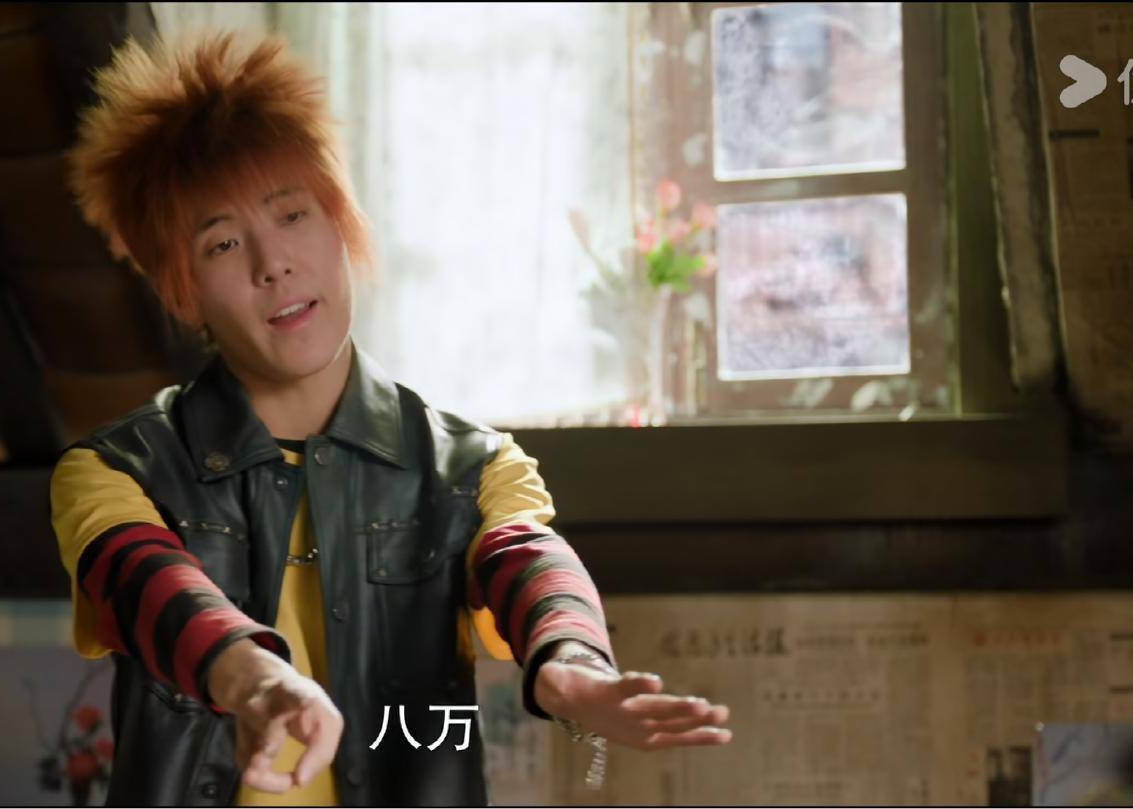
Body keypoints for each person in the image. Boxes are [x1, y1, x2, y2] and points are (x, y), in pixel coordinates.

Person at [52, 30, 732, 806]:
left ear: (341, 221)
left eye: (293, 214)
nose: (274, 263)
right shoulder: (115, 470)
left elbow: (527, 558)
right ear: (181, 291)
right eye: (224, 243)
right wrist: (255, 679)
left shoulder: (473, 467)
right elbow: (147, 583)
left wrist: (573, 662)